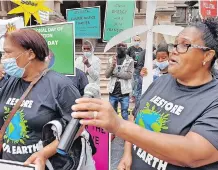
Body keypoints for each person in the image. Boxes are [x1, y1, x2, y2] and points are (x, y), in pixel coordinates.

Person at [72, 17, 218, 170]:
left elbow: (193, 154)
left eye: (184, 45)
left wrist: (119, 126)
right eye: (174, 44)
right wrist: (127, 154)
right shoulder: (162, 81)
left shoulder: (213, 99)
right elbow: (135, 118)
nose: (174, 50)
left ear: (207, 56)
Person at [0, 29, 81, 170]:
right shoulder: (10, 82)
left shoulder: (60, 86)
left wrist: (44, 154)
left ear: (30, 54)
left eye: (8, 52)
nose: (4, 58)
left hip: (45, 165)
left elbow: (78, 126)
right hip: (9, 164)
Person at [105, 42, 134, 120]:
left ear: (126, 48)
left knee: (124, 113)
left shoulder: (130, 60)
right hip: (113, 92)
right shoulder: (111, 59)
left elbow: (129, 75)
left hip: (124, 92)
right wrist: (112, 66)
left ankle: (125, 130)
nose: (121, 47)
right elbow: (107, 75)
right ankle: (114, 129)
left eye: (123, 46)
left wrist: (115, 73)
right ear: (116, 48)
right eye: (119, 46)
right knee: (112, 113)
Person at [127, 36, 143, 103]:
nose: (136, 41)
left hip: (139, 69)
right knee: (132, 83)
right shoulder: (130, 49)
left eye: (138, 40)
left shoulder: (141, 49)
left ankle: (135, 97)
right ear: (133, 40)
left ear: (140, 41)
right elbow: (126, 57)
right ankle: (130, 97)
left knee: (138, 83)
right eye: (135, 40)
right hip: (131, 68)